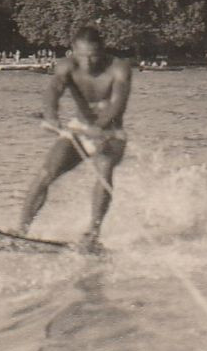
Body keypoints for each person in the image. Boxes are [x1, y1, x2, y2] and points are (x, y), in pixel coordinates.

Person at [15, 25, 133, 250]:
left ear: (103, 50)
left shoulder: (119, 68)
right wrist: (51, 115)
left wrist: (100, 127)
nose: (88, 63)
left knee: (104, 169)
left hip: (111, 133)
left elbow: (117, 105)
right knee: (45, 174)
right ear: (73, 51)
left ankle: (93, 235)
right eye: (82, 56)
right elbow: (53, 91)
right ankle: (21, 230)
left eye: (93, 56)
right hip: (78, 130)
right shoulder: (66, 67)